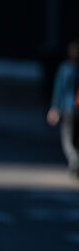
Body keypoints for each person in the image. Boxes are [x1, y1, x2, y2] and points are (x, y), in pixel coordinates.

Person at [46, 39, 79, 177]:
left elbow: (59, 89)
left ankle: (74, 160)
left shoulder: (65, 68)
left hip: (68, 108)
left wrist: (54, 108)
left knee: (67, 137)